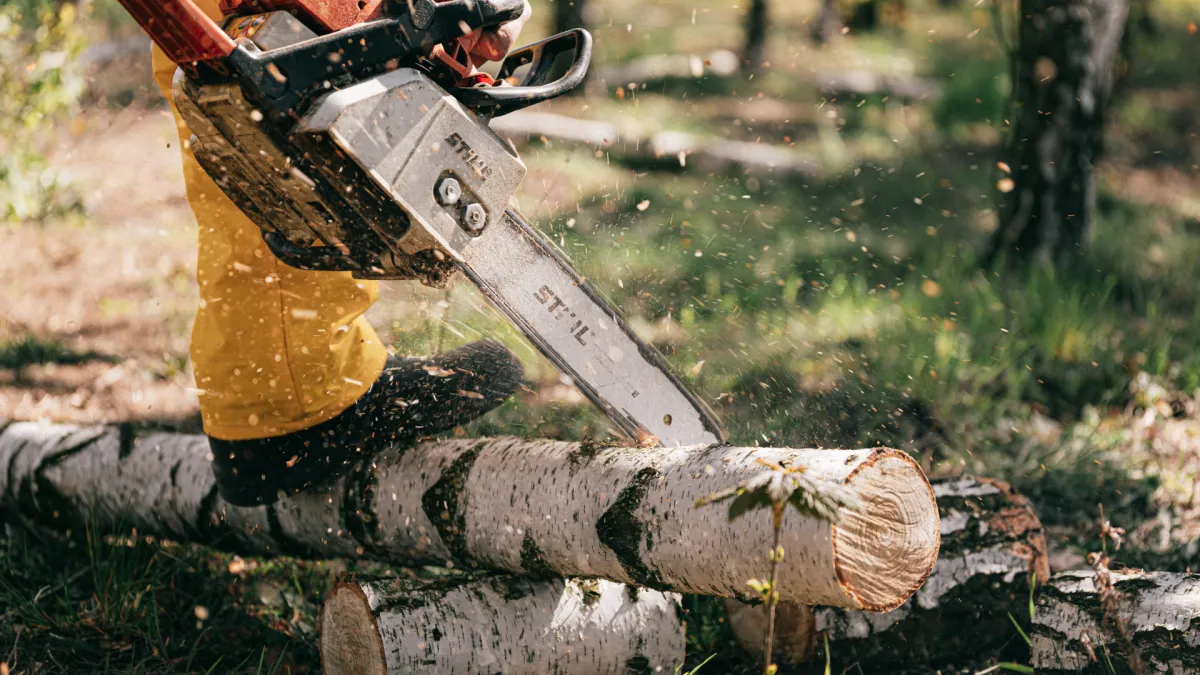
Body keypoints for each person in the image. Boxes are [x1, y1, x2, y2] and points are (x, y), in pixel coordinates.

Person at [152, 0, 531, 507]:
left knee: (232, 64)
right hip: (295, 398)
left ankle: (262, 393)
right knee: (284, 62)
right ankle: (299, 400)